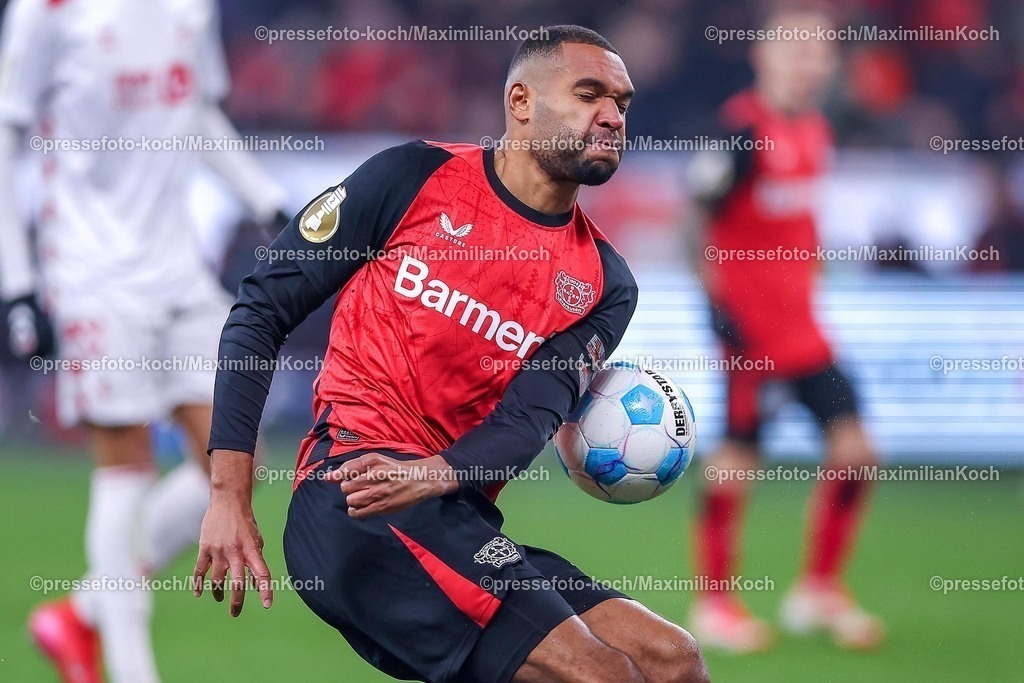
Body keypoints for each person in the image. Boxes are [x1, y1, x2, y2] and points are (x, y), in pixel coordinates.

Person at [194, 25, 709, 683]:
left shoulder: (605, 283)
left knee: (672, 661)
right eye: (589, 95)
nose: (612, 116)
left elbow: (529, 420)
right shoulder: (413, 176)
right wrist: (229, 493)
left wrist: (441, 472)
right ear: (521, 103)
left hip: (452, 511)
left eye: (622, 103)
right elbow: (260, 310)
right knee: (602, 674)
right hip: (356, 497)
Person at [0, 1, 287, 681]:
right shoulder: (47, 12)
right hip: (91, 272)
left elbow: (196, 113)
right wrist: (17, 280)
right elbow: (6, 136)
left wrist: (268, 201)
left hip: (177, 270)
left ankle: (82, 613)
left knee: (237, 458)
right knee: (123, 462)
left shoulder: (191, 5)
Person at [687, 7, 883, 653]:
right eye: (796, 50)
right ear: (764, 55)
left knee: (856, 450)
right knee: (736, 464)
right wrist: (719, 312)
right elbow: (695, 223)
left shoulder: (818, 129)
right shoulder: (741, 133)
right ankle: (713, 605)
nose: (810, 63)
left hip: (805, 332)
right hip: (751, 337)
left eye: (819, 51)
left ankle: (816, 590)